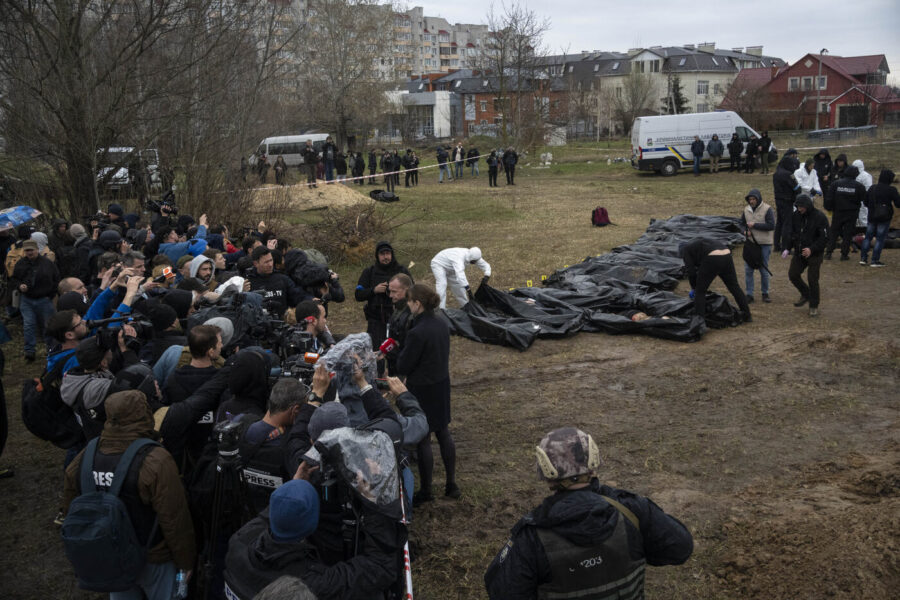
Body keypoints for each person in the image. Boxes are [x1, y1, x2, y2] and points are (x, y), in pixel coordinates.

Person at [483, 427, 693, 599]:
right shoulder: (632, 510)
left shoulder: (531, 537)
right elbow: (680, 548)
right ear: (594, 466)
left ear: (548, 478)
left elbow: (502, 592)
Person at [62, 390, 196, 600]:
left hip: (112, 554)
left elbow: (70, 506)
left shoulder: (86, 456)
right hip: (153, 557)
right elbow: (175, 518)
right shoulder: (156, 459)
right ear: (144, 414)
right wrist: (185, 562)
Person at [223, 477, 400, 600]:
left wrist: (292, 488)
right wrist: (372, 502)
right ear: (312, 525)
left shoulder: (239, 542)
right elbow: (381, 567)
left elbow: (268, 516)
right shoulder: (308, 584)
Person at [395, 284, 459, 502]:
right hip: (441, 384)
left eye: (409, 301)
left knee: (423, 439)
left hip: (421, 389)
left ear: (417, 304)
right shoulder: (441, 323)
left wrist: (396, 351)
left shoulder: (417, 332)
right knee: (443, 432)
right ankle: (451, 484)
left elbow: (404, 364)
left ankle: (427, 491)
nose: (407, 305)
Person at [355, 242, 411, 360]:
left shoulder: (402, 271)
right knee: (376, 353)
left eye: (388, 253)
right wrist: (374, 290)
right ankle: (378, 376)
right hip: (376, 320)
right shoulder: (369, 272)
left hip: (398, 319)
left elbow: (412, 291)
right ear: (377, 256)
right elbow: (358, 295)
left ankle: (395, 375)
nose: (386, 257)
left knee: (397, 351)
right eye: (382, 254)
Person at [680, 238, 752, 323]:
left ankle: (699, 322)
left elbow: (691, 272)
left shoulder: (685, 250)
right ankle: (747, 315)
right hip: (726, 254)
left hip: (713, 257)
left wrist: (694, 288)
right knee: (734, 287)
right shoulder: (697, 244)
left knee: (700, 291)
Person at [11, 239, 60, 361]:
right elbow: (14, 279)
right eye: (26, 250)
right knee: (29, 325)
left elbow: (56, 279)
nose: (29, 252)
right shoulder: (21, 264)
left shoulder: (47, 263)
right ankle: (29, 352)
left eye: (31, 250)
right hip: (26, 300)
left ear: (37, 250)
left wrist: (50, 295)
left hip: (44, 299)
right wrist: (19, 286)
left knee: (48, 326)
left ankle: (52, 349)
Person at [788, 194, 829, 317]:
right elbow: (792, 231)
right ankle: (806, 294)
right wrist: (788, 246)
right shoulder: (796, 216)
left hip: (815, 254)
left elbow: (825, 238)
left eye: (801, 207)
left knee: (813, 279)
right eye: (797, 207)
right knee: (793, 274)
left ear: (808, 206)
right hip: (799, 252)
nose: (799, 209)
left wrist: (812, 249)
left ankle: (813, 305)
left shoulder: (820, 217)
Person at [246, 246, 305, 317]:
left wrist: (311, 299)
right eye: (266, 262)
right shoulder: (248, 283)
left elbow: (298, 296)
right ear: (256, 264)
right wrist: (244, 293)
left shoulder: (282, 279)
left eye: (271, 260)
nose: (270, 265)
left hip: (282, 323)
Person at [824, 165, 866, 261]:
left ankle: (828, 253)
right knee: (848, 234)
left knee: (834, 232)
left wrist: (829, 208)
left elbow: (829, 198)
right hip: (852, 213)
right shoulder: (859, 186)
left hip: (838, 212)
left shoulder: (836, 184)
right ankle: (844, 254)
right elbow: (864, 199)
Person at [741, 189, 775, 303]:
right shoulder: (746, 210)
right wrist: (744, 231)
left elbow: (771, 225)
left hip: (764, 243)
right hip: (751, 244)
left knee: (763, 269)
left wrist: (755, 225)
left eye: (754, 199)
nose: (751, 201)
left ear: (758, 198)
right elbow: (741, 224)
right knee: (748, 269)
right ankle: (749, 294)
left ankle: (765, 293)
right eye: (750, 199)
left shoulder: (767, 209)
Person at [860, 169, 900, 267]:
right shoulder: (892, 190)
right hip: (885, 217)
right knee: (880, 239)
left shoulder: (872, 188)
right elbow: (898, 204)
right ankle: (875, 260)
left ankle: (863, 258)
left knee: (868, 237)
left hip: (871, 216)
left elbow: (865, 202)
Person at [384, 273, 413, 376]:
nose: (391, 295)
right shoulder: (397, 308)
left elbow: (412, 349)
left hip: (406, 370)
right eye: (390, 291)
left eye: (394, 292)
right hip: (395, 365)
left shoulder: (413, 313)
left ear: (406, 290)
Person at [772, 152, 800, 255]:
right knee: (787, 224)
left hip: (778, 200)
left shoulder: (776, 174)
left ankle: (776, 245)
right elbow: (797, 188)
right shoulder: (789, 174)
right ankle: (785, 247)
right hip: (788, 201)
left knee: (779, 223)